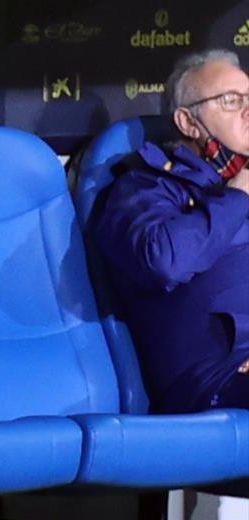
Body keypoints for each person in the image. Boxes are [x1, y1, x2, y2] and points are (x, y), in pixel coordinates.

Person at [96, 49, 249, 413]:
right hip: (215, 377)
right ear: (189, 122)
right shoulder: (146, 187)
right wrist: (237, 197)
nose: (248, 110)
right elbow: (162, 261)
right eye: (231, 101)